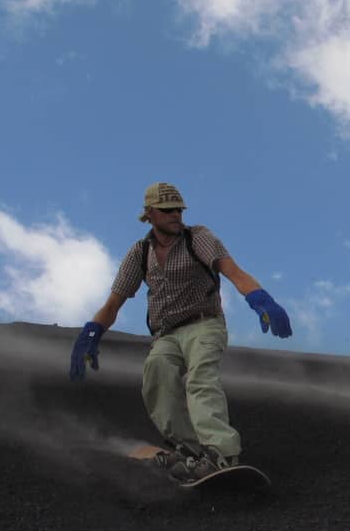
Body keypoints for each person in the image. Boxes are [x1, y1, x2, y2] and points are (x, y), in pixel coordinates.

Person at [69, 182, 292, 481]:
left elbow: (233, 271)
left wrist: (261, 300)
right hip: (166, 335)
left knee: (200, 379)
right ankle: (193, 452)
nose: (176, 215)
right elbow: (114, 303)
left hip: (204, 323)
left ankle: (222, 454)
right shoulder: (140, 253)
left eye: (179, 209)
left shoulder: (197, 238)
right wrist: (92, 334)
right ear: (149, 214)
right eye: (167, 210)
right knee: (156, 376)